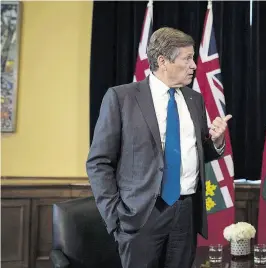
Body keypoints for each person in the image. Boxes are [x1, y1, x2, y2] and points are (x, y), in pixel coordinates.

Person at [86, 27, 231, 268]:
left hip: (185, 214)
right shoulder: (122, 98)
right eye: (187, 59)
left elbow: (188, 155)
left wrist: (215, 142)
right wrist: (115, 217)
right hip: (141, 215)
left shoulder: (195, 101)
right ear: (163, 61)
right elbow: (99, 162)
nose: (194, 66)